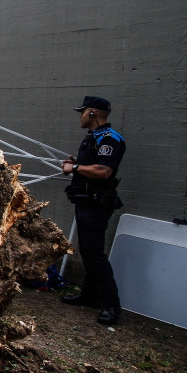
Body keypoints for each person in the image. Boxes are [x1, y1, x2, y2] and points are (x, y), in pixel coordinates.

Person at [60, 96, 126, 326]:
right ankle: (89, 294)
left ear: (93, 113)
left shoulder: (110, 139)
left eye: (83, 111)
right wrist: (77, 164)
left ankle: (111, 306)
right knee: (88, 251)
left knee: (95, 253)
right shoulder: (95, 138)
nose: (80, 115)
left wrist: (76, 167)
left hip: (97, 204)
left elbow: (104, 171)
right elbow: (93, 166)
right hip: (86, 201)